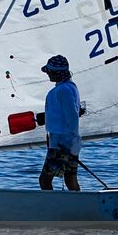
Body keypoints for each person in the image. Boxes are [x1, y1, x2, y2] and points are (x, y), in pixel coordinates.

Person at [37, 55, 83, 191]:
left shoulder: (64, 90)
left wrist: (69, 146)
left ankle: (52, 208)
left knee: (44, 180)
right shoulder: (68, 87)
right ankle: (77, 206)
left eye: (49, 72)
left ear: (56, 73)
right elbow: (67, 113)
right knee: (70, 180)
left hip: (62, 145)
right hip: (67, 143)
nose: (47, 75)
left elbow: (72, 117)